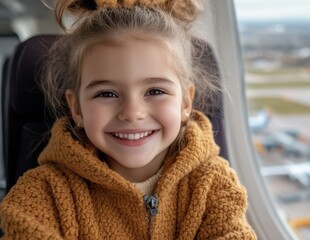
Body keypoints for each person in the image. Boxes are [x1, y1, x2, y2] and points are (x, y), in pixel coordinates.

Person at [0, 0, 257, 239]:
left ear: (185, 102)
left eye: (155, 91)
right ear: (77, 108)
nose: (132, 112)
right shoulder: (46, 192)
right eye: (107, 93)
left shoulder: (213, 183)